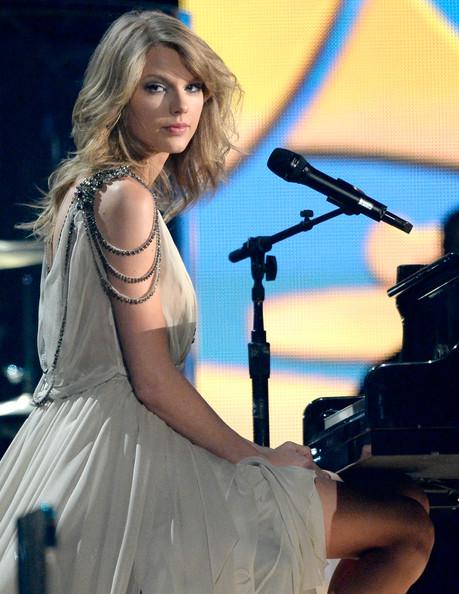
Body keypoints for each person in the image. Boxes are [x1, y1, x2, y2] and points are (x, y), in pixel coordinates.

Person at [0, 10, 433, 594]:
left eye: (193, 87)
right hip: (128, 457)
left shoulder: (83, 190)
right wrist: (256, 457)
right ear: (118, 98)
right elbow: (152, 380)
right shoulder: (127, 198)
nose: (179, 105)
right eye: (155, 87)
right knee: (408, 529)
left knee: (402, 506)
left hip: (72, 446)